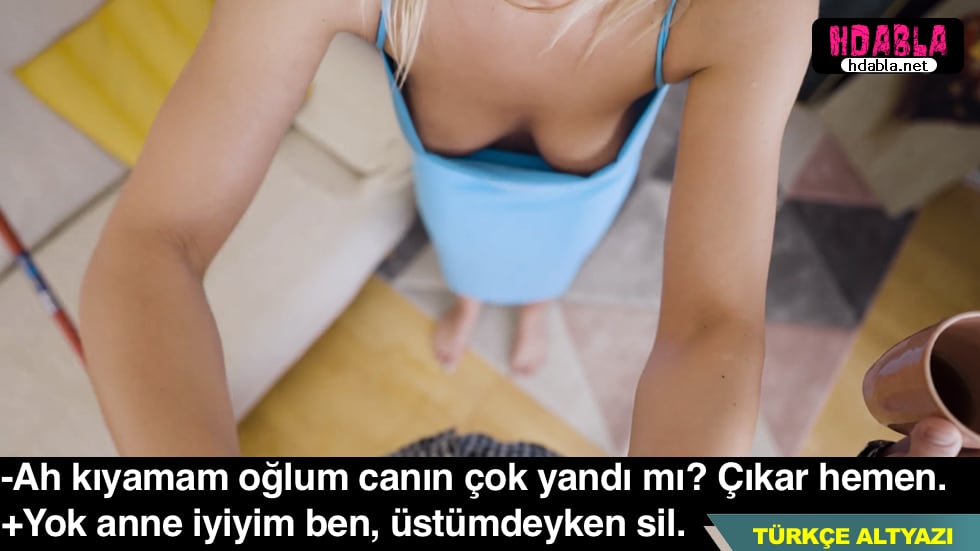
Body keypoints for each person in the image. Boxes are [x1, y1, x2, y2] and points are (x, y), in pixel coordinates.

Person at [79, 0, 824, 457]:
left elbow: (710, 325)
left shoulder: (754, 9)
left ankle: (534, 305)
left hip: (579, 205)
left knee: (548, 270)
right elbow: (158, 241)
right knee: (468, 263)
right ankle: (471, 302)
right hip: (456, 199)